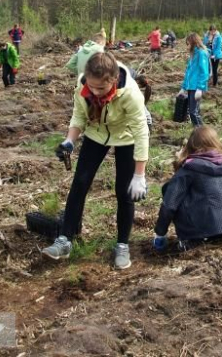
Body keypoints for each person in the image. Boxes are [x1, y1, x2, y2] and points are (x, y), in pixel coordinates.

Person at [41, 52, 149, 268]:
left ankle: (122, 245)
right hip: (96, 133)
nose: (95, 92)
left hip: (126, 135)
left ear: (113, 80)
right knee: (79, 184)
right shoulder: (84, 85)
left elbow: (141, 133)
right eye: (91, 87)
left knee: (123, 191)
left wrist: (139, 175)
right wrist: (70, 141)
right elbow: (79, 115)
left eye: (101, 88)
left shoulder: (130, 94)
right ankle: (64, 240)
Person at [153, 126, 222, 251]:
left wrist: (160, 233)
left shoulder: (188, 169)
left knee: (169, 188)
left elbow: (169, 205)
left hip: (200, 233)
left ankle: (191, 240)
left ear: (191, 145)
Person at [179, 33, 210, 127]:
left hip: (196, 87)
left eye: (188, 44)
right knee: (194, 111)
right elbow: (188, 73)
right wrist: (183, 88)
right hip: (191, 86)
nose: (187, 47)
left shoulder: (201, 53)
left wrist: (200, 88)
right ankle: (201, 132)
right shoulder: (193, 55)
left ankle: (201, 132)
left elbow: (204, 72)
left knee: (193, 112)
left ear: (193, 42)